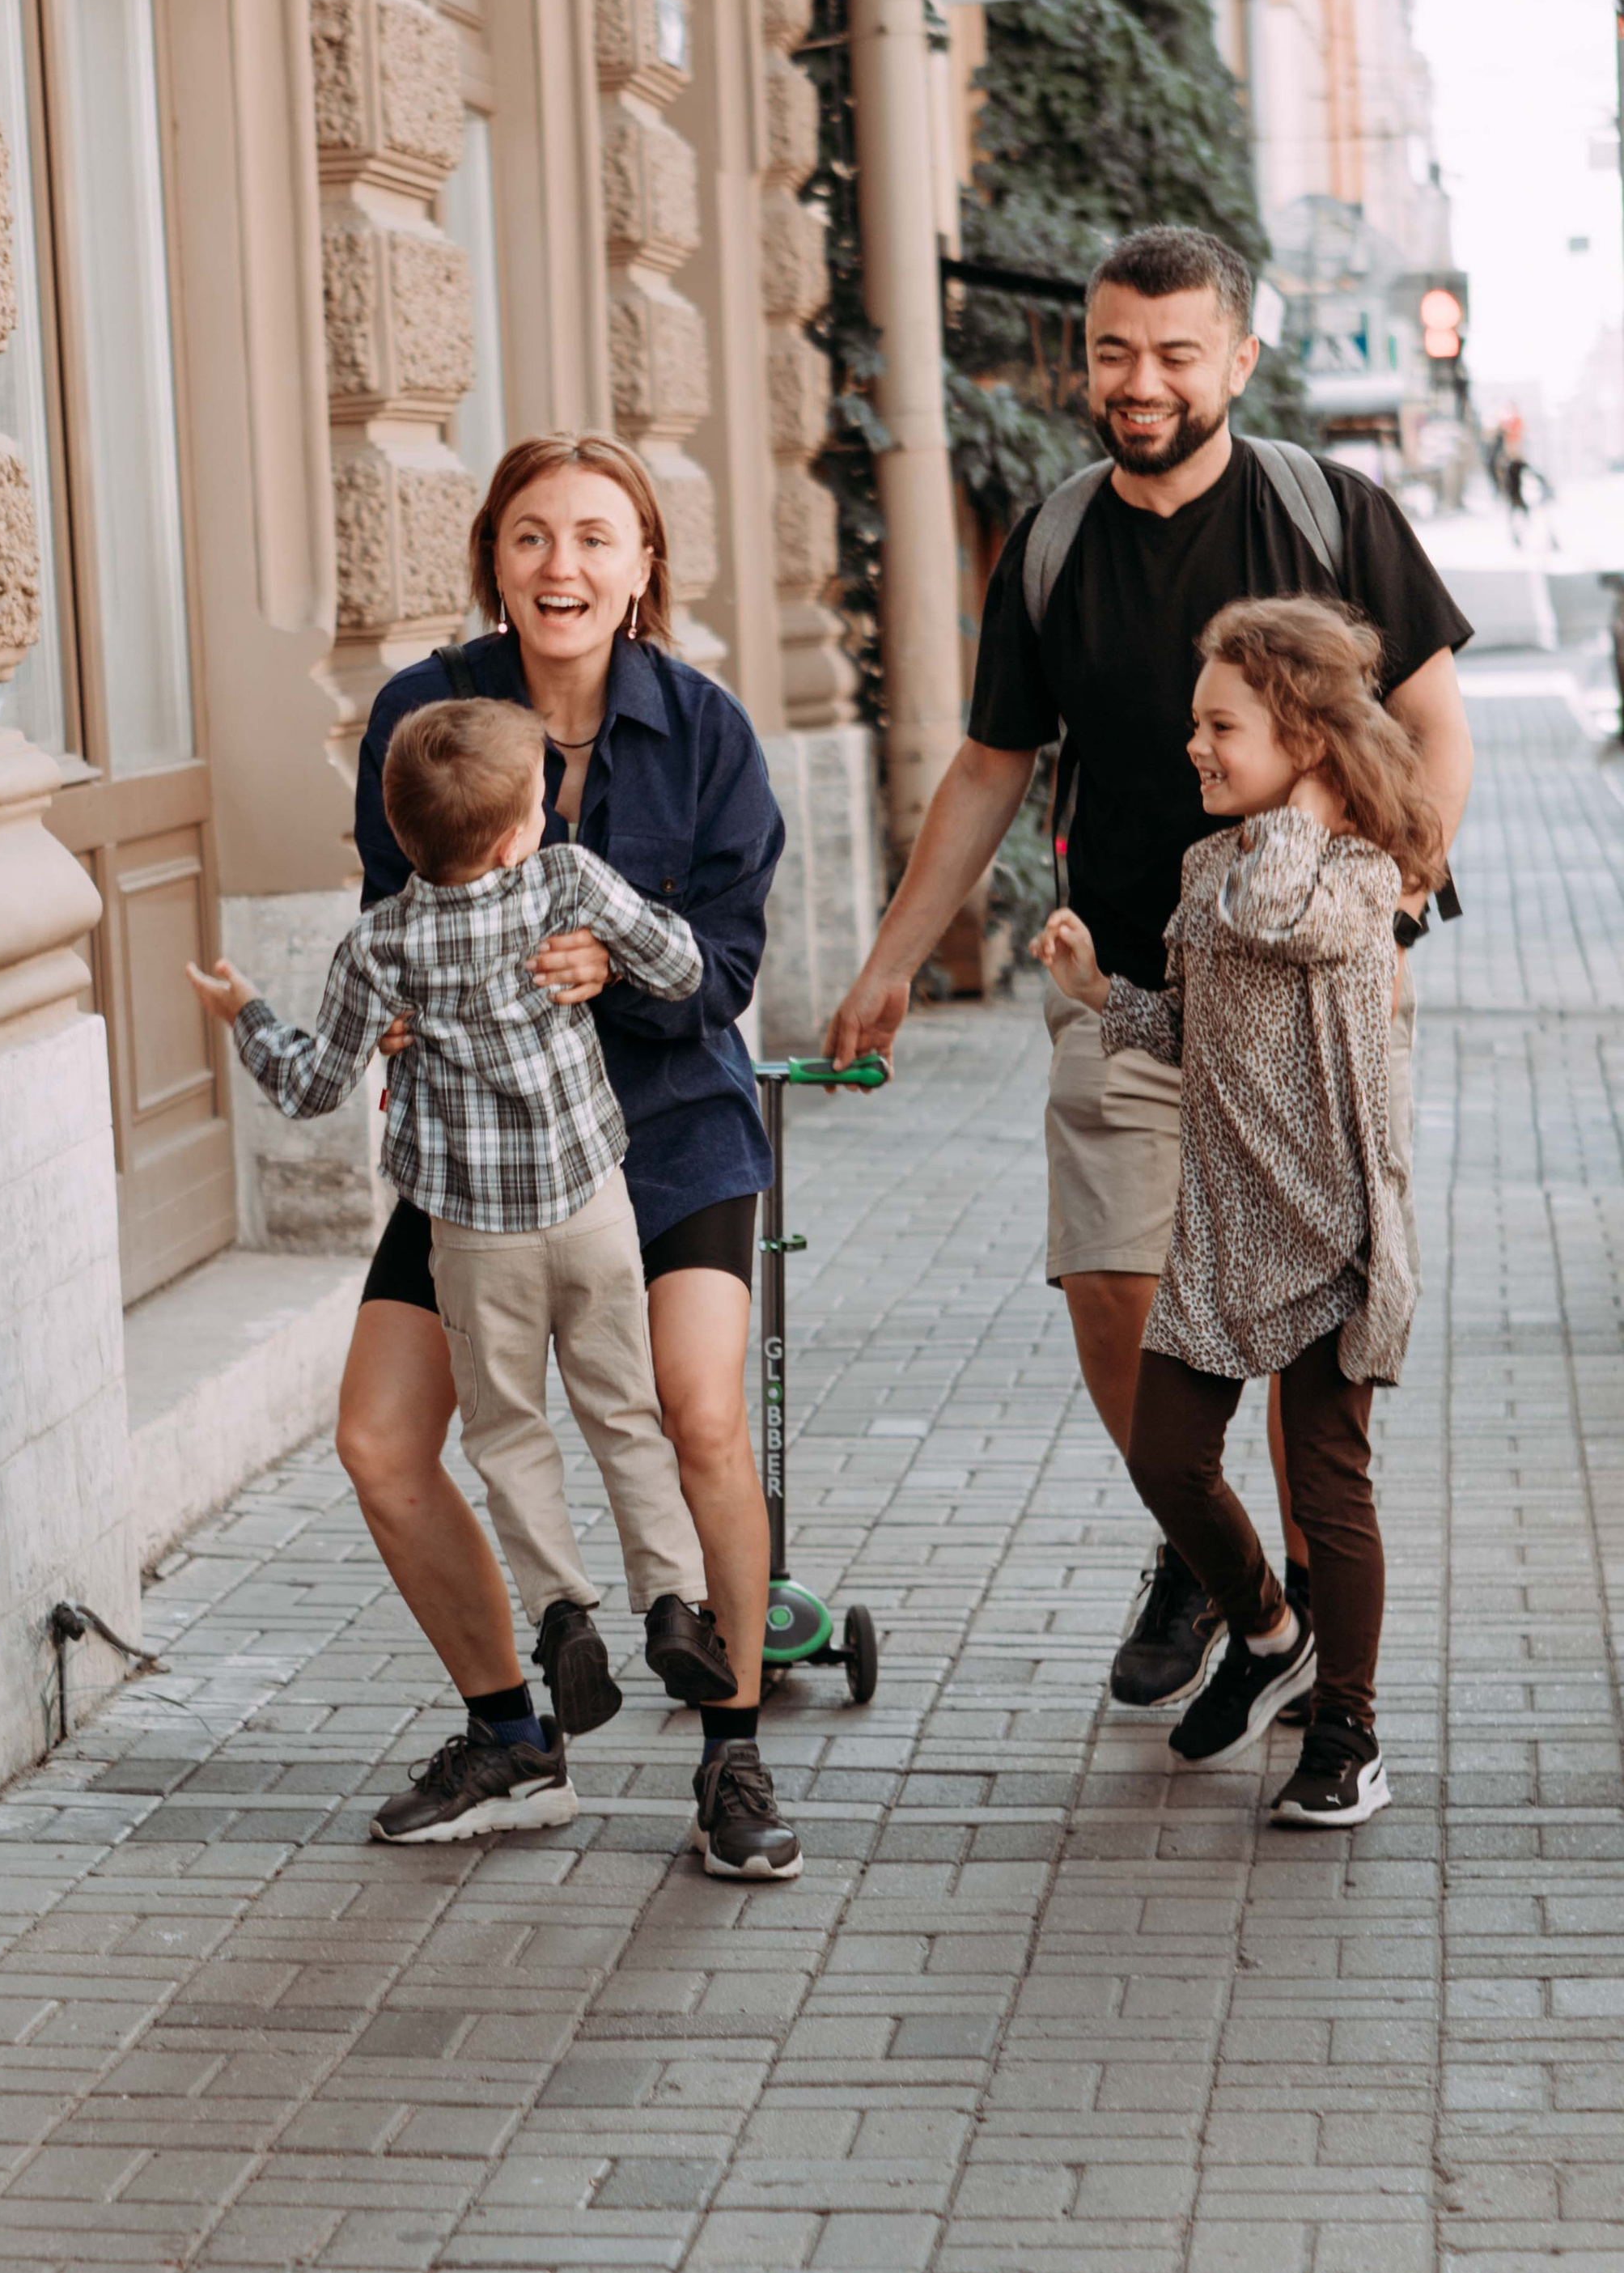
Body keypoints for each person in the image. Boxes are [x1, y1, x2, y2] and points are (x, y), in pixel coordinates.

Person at [825, 226, 1473, 1711]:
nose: (1141, 381)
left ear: (1238, 360)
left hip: (1316, 1000)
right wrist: (889, 964)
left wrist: (1394, 906)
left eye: (1178, 354)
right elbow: (991, 768)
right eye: (1116, 350)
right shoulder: (1054, 545)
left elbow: (1436, 721)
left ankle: (1323, 1645)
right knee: (1116, 1294)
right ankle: (1223, 1573)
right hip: (1127, 991)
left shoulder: (1330, 514)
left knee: (1310, 1333)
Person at [332, 434, 803, 1882]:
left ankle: (730, 1753)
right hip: (481, 1152)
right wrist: (398, 1018)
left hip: (665, 1132)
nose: (563, 566)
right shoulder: (422, 712)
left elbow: (726, 967)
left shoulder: (706, 730)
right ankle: (514, 1737)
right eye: (533, 537)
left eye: (598, 538)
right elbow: (385, 907)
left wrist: (629, 970)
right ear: (495, 559)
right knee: (380, 1439)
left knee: (699, 1414)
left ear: (644, 567)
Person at [189, 693, 737, 1850]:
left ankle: (562, 1616)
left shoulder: (379, 944)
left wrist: (246, 1014)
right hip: (592, 1208)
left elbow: (311, 1085)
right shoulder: (568, 884)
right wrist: (615, 961)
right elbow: (686, 970)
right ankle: (675, 1601)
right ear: (518, 833)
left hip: (475, 1235)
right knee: (625, 1414)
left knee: (505, 1433)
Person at [1037, 596, 1445, 1824]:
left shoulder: (1358, 878)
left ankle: (1348, 1733)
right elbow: (1195, 1029)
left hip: (1331, 1232)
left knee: (1331, 1485)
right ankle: (1269, 1633)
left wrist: (1317, 806)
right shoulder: (1211, 864)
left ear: (1306, 743)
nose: (1195, 747)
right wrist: (1099, 990)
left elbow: (1280, 919)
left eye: (1223, 726)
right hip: (1222, 1230)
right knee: (1167, 1459)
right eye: (1195, 725)